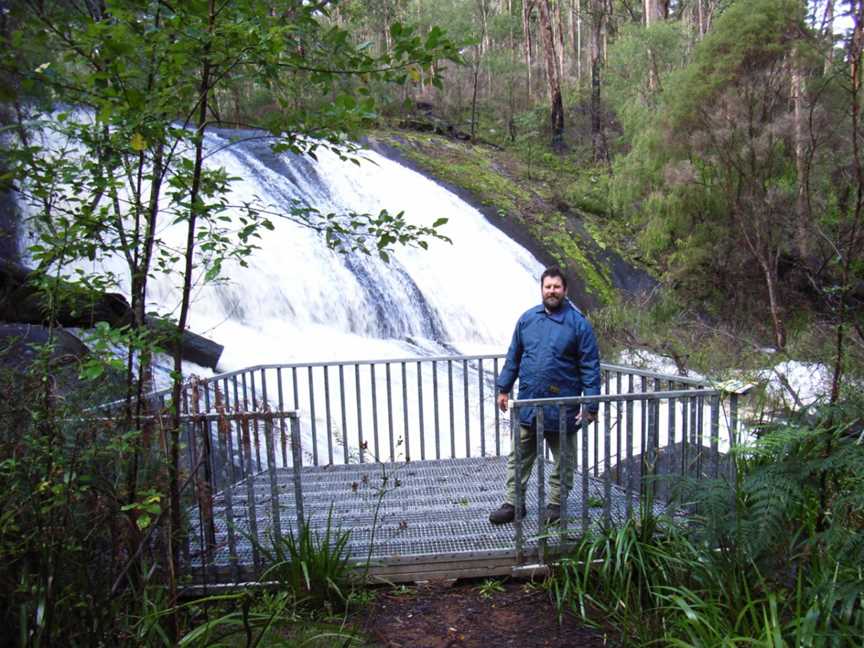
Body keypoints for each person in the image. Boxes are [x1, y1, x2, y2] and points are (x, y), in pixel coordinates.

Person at [489, 266, 601, 525]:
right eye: (548, 286)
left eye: (556, 287)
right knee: (519, 456)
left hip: (563, 406)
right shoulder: (527, 319)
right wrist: (503, 388)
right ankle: (513, 504)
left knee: (563, 460)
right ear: (541, 289)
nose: (552, 291)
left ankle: (556, 506)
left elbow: (590, 366)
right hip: (529, 401)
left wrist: (591, 405)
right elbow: (514, 356)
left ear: (565, 290)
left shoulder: (578, 324)